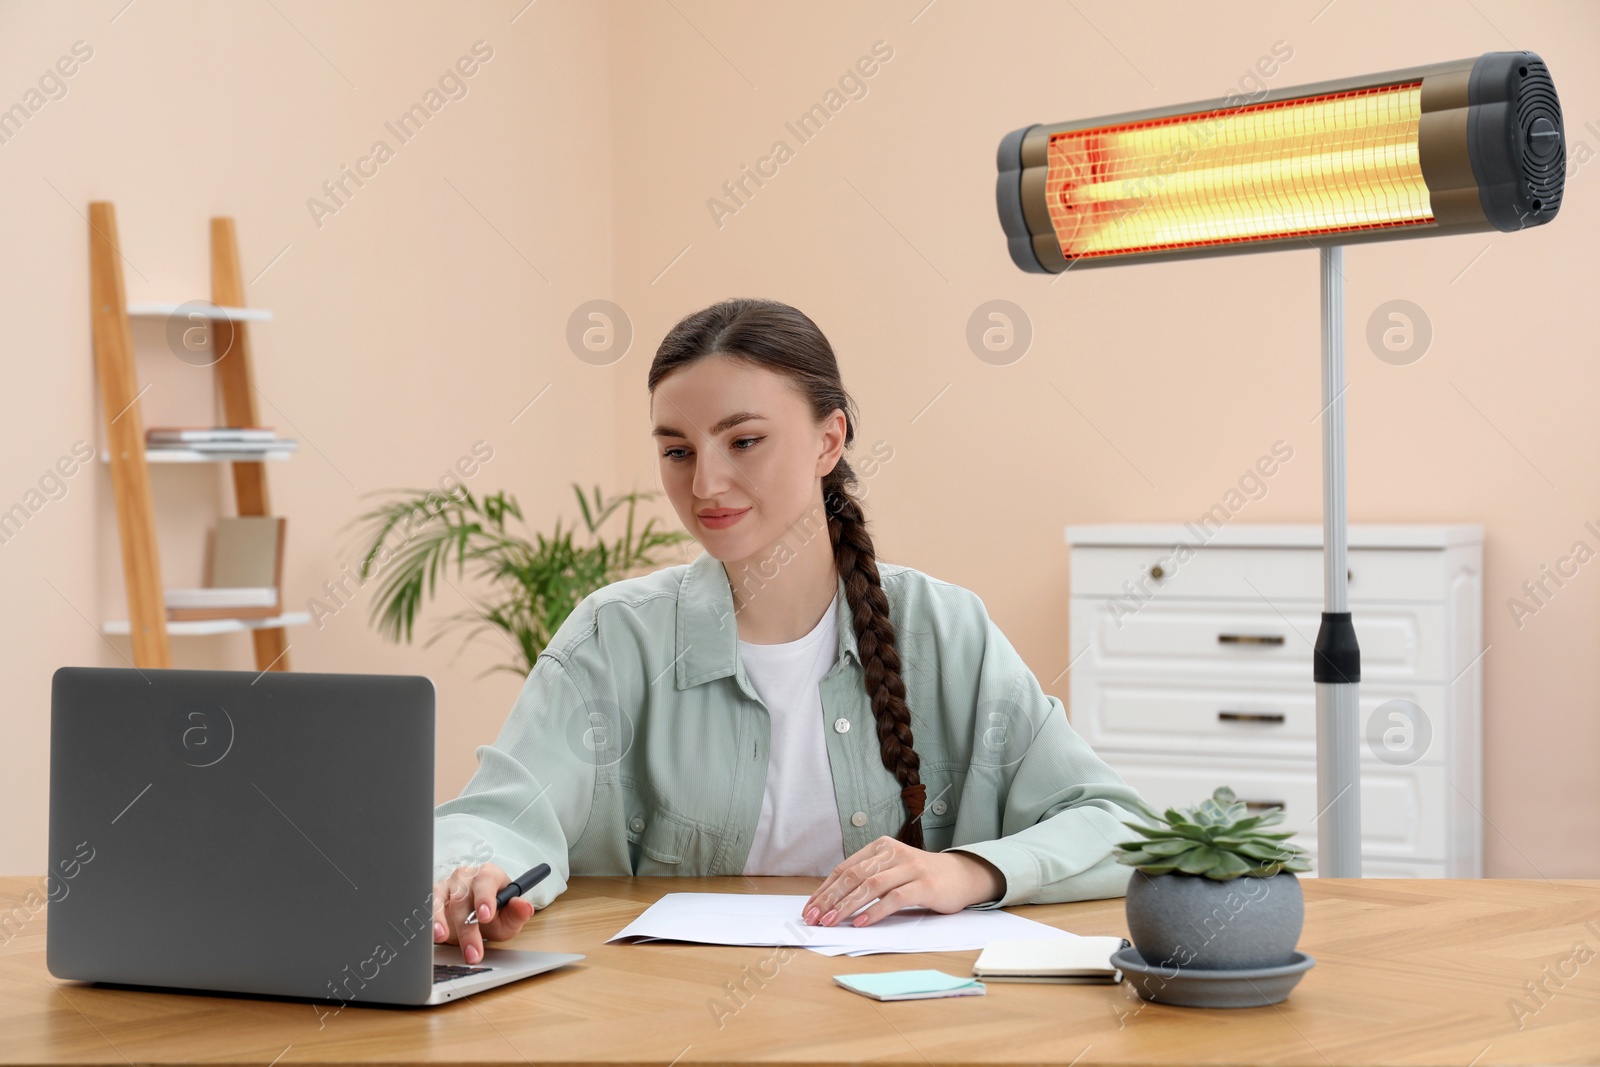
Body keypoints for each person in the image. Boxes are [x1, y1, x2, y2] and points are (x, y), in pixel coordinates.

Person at [431, 297, 1149, 964]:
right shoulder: (613, 638)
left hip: (908, 1024)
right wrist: (476, 874)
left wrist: (967, 870)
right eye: (677, 450)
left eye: (743, 441)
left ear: (828, 439)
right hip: (666, 1016)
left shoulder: (944, 629)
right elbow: (500, 811)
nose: (706, 484)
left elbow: (1118, 824)